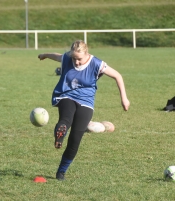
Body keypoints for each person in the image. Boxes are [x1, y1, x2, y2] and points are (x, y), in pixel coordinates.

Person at [38, 40, 130, 181]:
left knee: (76, 138)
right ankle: (60, 134)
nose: (76, 62)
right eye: (74, 58)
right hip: (66, 95)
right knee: (66, 118)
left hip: (86, 102)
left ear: (86, 54)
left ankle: (61, 171)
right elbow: (55, 55)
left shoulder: (97, 64)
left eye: (79, 59)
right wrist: (44, 54)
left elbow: (117, 76)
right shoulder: (67, 58)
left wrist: (124, 98)